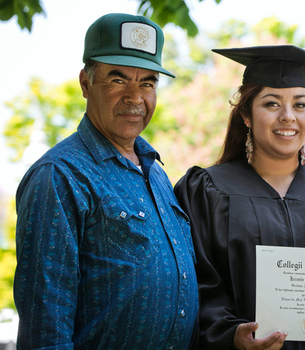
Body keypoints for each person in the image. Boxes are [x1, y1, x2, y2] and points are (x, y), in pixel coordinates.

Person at [174, 45, 305, 350]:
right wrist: (228, 335)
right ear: (246, 115)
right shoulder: (206, 191)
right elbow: (195, 284)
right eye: (272, 103)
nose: (288, 117)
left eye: (300, 105)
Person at [14, 13, 198, 349]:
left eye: (148, 83)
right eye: (118, 80)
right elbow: (45, 327)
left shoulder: (156, 172)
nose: (135, 97)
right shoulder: (58, 175)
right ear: (86, 83)